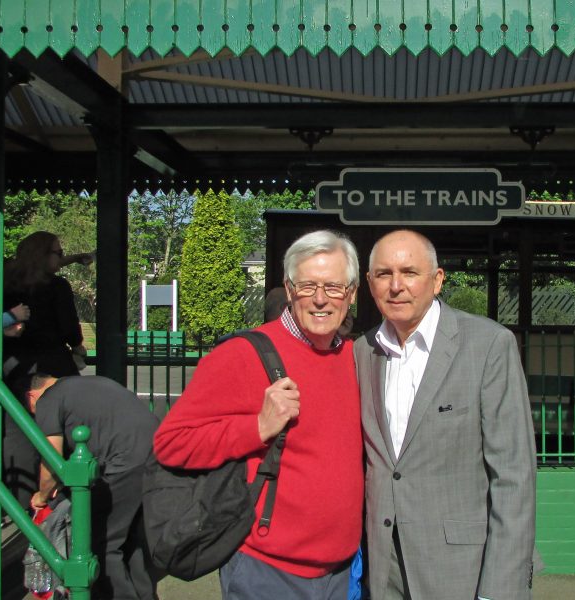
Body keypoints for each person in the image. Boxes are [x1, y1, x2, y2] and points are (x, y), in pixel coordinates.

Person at [154, 230, 363, 600]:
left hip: (342, 573)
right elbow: (171, 444)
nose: (319, 299)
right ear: (288, 288)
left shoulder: (355, 357)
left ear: (351, 294)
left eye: (332, 287)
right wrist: (255, 428)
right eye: (307, 285)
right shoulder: (242, 355)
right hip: (266, 572)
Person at [354, 230, 538, 600]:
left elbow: (514, 476)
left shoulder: (488, 345)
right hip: (382, 568)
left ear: (437, 280)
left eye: (409, 272)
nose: (396, 286)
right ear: (369, 283)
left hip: (461, 571)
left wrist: (499, 589)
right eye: (384, 274)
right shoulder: (362, 351)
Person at [25, 373, 160, 600]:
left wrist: (42, 495)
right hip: (157, 454)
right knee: (131, 540)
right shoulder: (92, 382)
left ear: (31, 397)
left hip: (124, 462)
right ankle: (144, 595)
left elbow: (50, 460)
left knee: (99, 541)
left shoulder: (48, 399)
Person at [4, 231, 92, 377]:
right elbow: (69, 326)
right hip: (51, 362)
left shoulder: (6, 283)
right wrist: (77, 346)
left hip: (12, 363)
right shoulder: (58, 286)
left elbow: (40, 263)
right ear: (42, 255)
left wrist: (75, 258)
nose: (62, 257)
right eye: (60, 253)